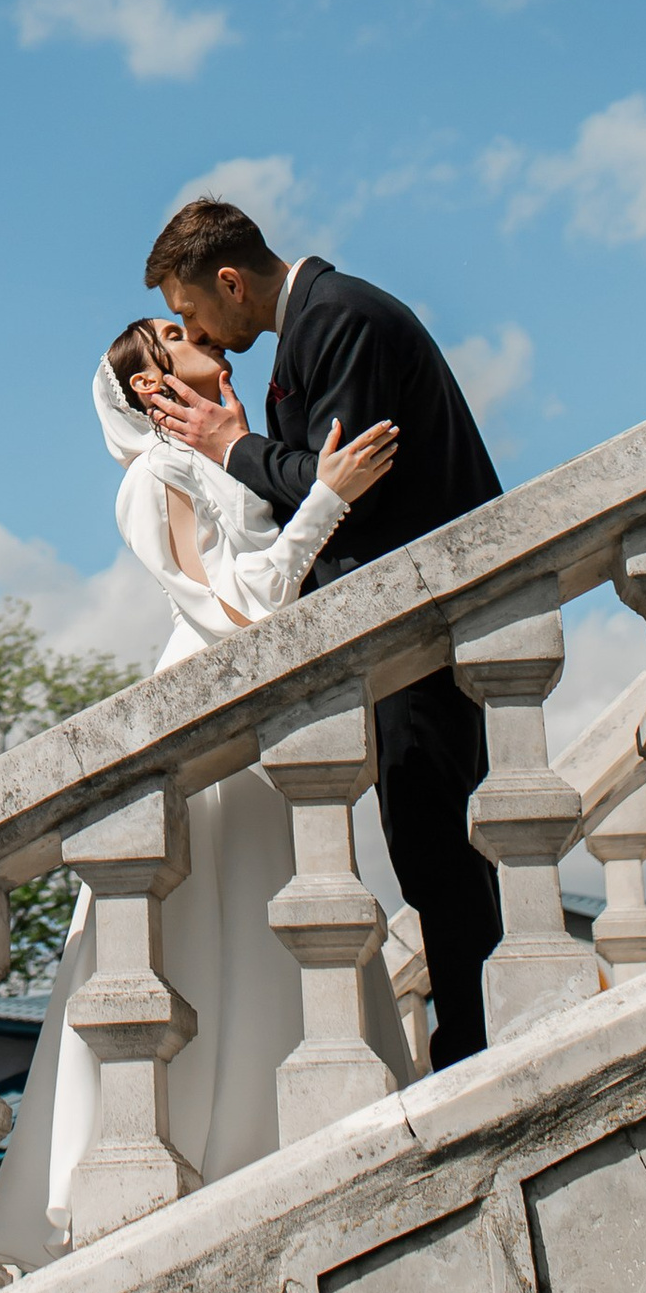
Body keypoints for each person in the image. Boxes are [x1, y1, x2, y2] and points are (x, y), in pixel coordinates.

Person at [0, 327, 405, 1267]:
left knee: (288, 923)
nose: (199, 333)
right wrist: (326, 502)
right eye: (174, 336)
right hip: (214, 729)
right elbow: (235, 614)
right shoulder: (150, 482)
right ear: (149, 381)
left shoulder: (224, 459)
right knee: (218, 932)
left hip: (268, 733)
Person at [138, 197, 505, 1065]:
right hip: (393, 628)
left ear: (229, 281)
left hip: (420, 619)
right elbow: (316, 480)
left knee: (439, 842)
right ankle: (466, 1034)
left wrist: (233, 446)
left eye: (192, 312)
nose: (206, 335)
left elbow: (346, 484)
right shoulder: (315, 327)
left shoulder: (337, 318)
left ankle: (476, 1043)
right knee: (423, 843)